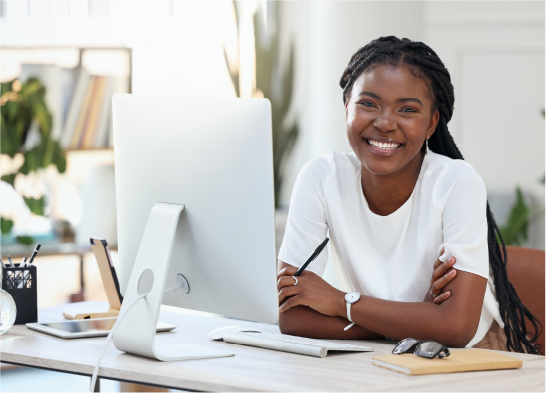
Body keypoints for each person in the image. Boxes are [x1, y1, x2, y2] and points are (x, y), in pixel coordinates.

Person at [277, 36, 541, 353]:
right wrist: (416, 321)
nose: (385, 122)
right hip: (387, 351)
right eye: (368, 103)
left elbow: (455, 328)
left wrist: (339, 302)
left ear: (431, 123)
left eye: (407, 109)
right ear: (347, 107)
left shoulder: (458, 183)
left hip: (475, 353)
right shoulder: (320, 178)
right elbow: (292, 318)